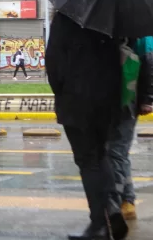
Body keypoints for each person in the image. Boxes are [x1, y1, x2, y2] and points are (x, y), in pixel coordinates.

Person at [46, 13, 128, 240]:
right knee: (101, 155)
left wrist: (62, 93)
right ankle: (111, 208)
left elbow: (53, 63)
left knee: (87, 161)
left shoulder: (66, 18)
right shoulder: (110, 19)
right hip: (106, 102)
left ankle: (99, 224)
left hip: (76, 103)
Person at [108, 36, 153, 221]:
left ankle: (123, 200)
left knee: (117, 151)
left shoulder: (142, 34)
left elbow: (149, 63)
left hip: (128, 99)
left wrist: (148, 98)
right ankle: (125, 198)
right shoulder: (109, 31)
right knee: (114, 151)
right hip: (110, 99)